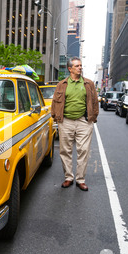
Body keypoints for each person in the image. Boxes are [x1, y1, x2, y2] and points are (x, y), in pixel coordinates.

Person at [51, 57, 99, 191]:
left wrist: (93, 117)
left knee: (83, 150)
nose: (80, 68)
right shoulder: (62, 84)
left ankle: (80, 179)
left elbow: (95, 102)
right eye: (77, 66)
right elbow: (55, 102)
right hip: (65, 121)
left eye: (81, 66)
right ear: (70, 69)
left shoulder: (89, 84)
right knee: (65, 150)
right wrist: (55, 117)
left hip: (84, 121)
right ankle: (68, 177)